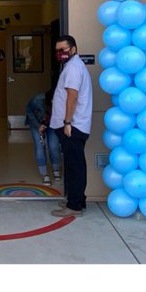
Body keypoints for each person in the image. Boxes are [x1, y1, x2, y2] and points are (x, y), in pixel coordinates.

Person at [49, 35, 92, 215]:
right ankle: (77, 200)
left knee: (74, 166)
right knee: (74, 164)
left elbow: (72, 96)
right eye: (57, 51)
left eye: (63, 50)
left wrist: (67, 122)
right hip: (74, 125)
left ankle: (74, 206)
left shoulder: (74, 68)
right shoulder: (72, 66)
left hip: (73, 126)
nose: (60, 53)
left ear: (73, 49)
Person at [25, 90, 62, 185]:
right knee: (39, 147)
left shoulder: (61, 101)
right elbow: (29, 111)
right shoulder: (38, 100)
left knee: (54, 146)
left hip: (52, 123)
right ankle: (44, 174)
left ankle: (56, 169)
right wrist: (38, 126)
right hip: (36, 123)